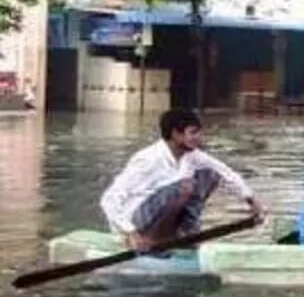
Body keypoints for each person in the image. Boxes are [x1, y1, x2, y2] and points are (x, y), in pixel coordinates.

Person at [100, 108, 266, 252]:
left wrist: (252, 202)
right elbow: (109, 200)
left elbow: (225, 172)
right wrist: (130, 233)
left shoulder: (191, 155)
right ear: (176, 134)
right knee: (184, 186)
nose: (199, 137)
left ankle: (183, 235)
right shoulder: (148, 160)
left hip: (160, 218)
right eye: (193, 132)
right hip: (136, 222)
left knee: (212, 174)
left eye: (199, 132)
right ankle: (153, 238)